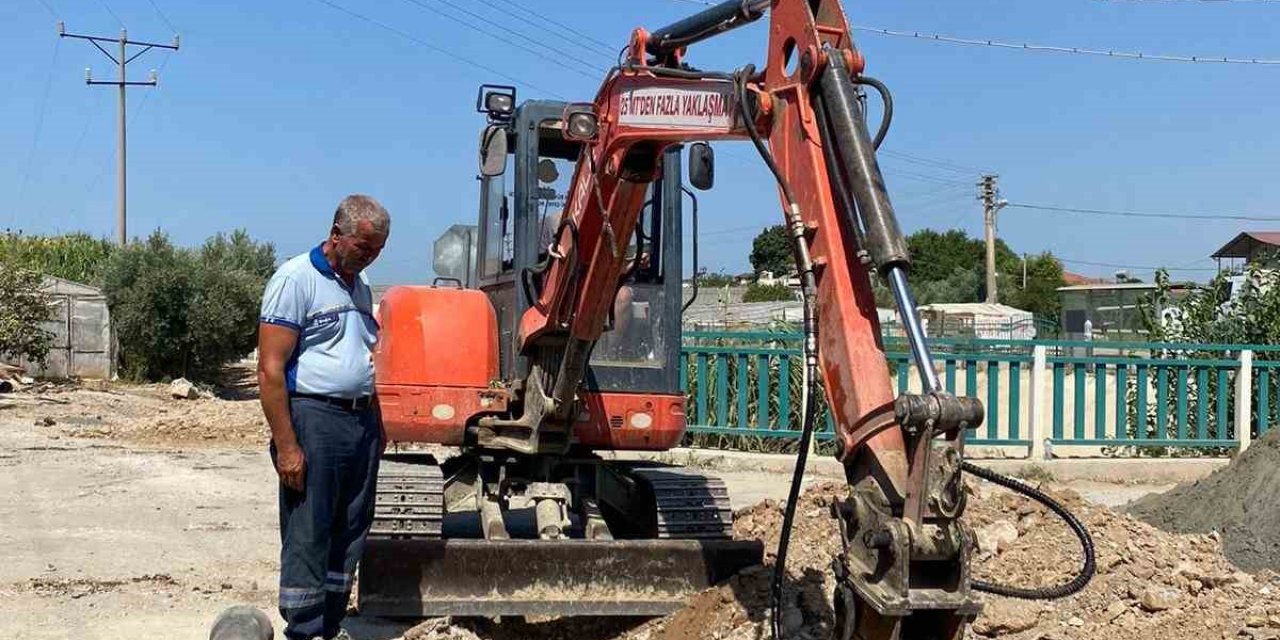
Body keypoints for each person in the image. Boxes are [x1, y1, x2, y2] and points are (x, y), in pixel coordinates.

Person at [257, 194, 391, 640]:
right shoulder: (295, 279)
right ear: (337, 235)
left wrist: (377, 422)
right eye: (364, 248)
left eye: (378, 250)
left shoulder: (360, 282)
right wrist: (289, 446)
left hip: (359, 422)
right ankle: (305, 627)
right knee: (309, 529)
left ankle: (330, 622)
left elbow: (359, 354)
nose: (370, 257)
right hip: (314, 417)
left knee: (351, 526)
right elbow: (270, 369)